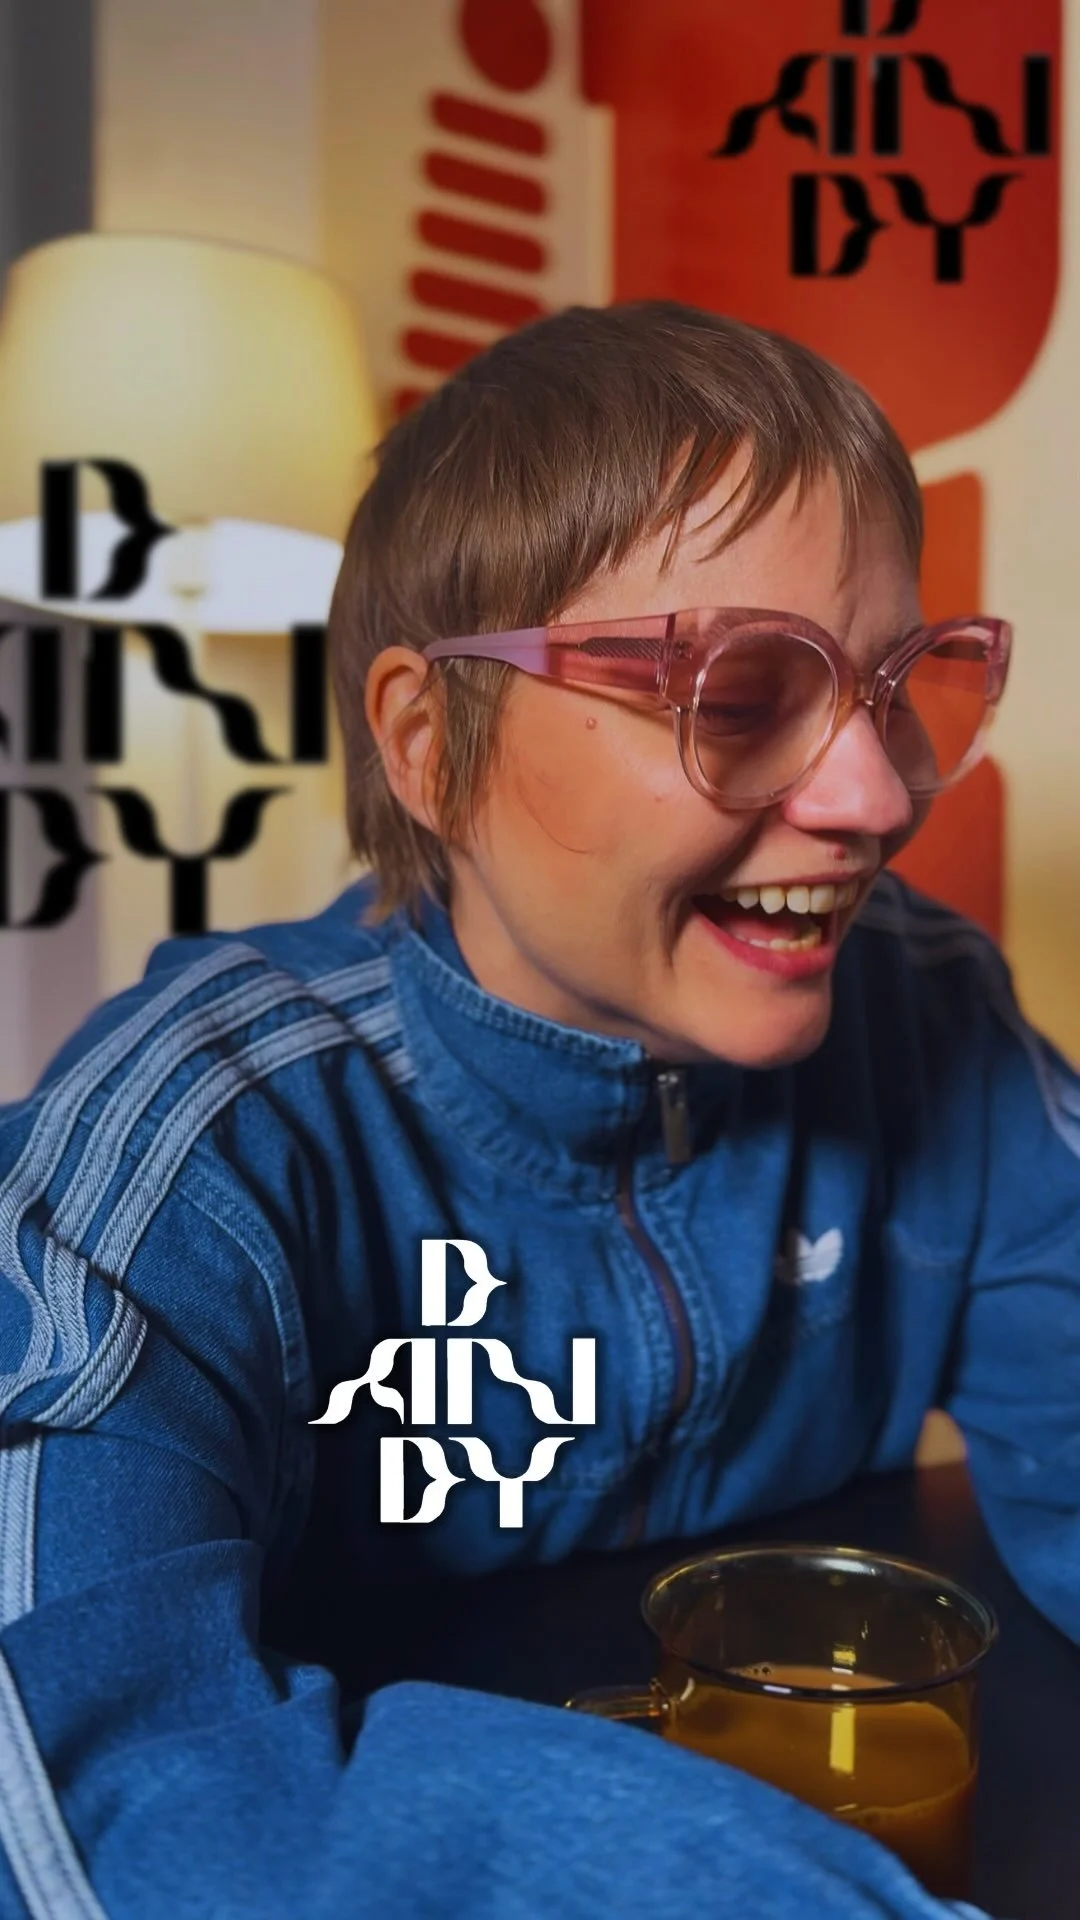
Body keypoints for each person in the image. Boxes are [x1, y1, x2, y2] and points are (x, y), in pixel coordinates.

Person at [0, 300, 1076, 1920]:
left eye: (892, 689)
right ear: (429, 746)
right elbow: (91, 1801)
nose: (873, 799)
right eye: (737, 695)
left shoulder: (933, 1018)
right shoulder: (190, 1153)